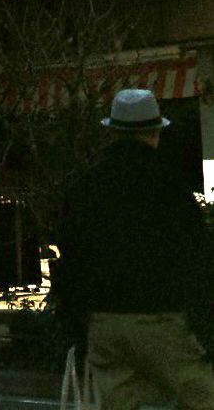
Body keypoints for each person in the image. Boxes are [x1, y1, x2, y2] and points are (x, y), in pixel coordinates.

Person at [53, 88, 214, 410]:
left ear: (112, 131)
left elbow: (69, 259)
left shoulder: (85, 185)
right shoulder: (170, 185)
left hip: (103, 323)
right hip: (162, 320)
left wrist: (77, 327)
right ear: (155, 132)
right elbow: (198, 259)